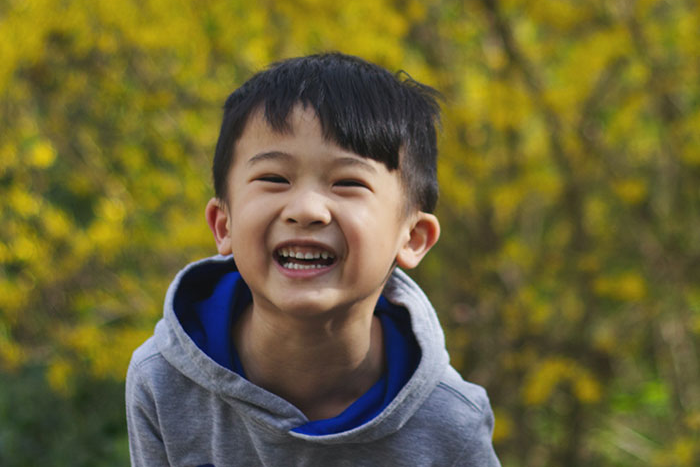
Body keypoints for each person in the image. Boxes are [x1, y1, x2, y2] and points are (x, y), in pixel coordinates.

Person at [126, 52, 500, 466]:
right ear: (223, 224)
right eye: (273, 178)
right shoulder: (162, 380)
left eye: (347, 182)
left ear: (412, 237)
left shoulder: (452, 421)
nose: (306, 209)